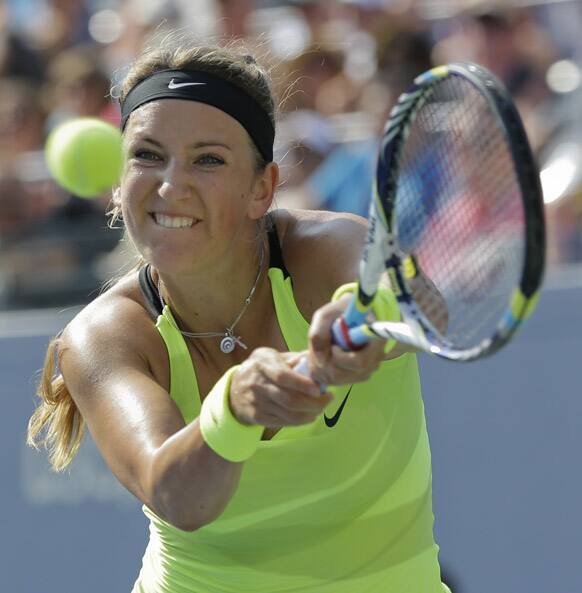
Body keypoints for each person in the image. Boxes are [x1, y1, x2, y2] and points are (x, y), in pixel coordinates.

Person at [27, 39, 450, 593]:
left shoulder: (331, 247)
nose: (171, 185)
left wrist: (366, 316)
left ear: (262, 189)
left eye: (208, 159)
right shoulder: (102, 336)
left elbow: (424, 307)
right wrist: (235, 406)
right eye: (147, 155)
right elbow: (179, 496)